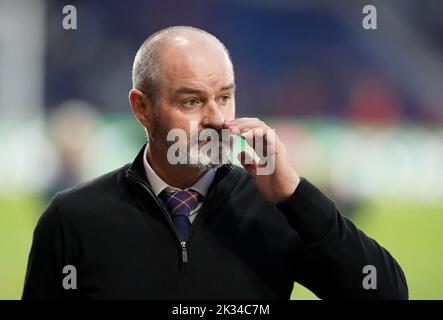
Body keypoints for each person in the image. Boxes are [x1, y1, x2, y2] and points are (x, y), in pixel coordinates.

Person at [22, 26, 408, 300]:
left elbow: (385, 293)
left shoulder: (276, 210)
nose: (216, 119)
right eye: (191, 101)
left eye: (224, 97)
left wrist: (296, 196)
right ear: (142, 108)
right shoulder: (72, 219)